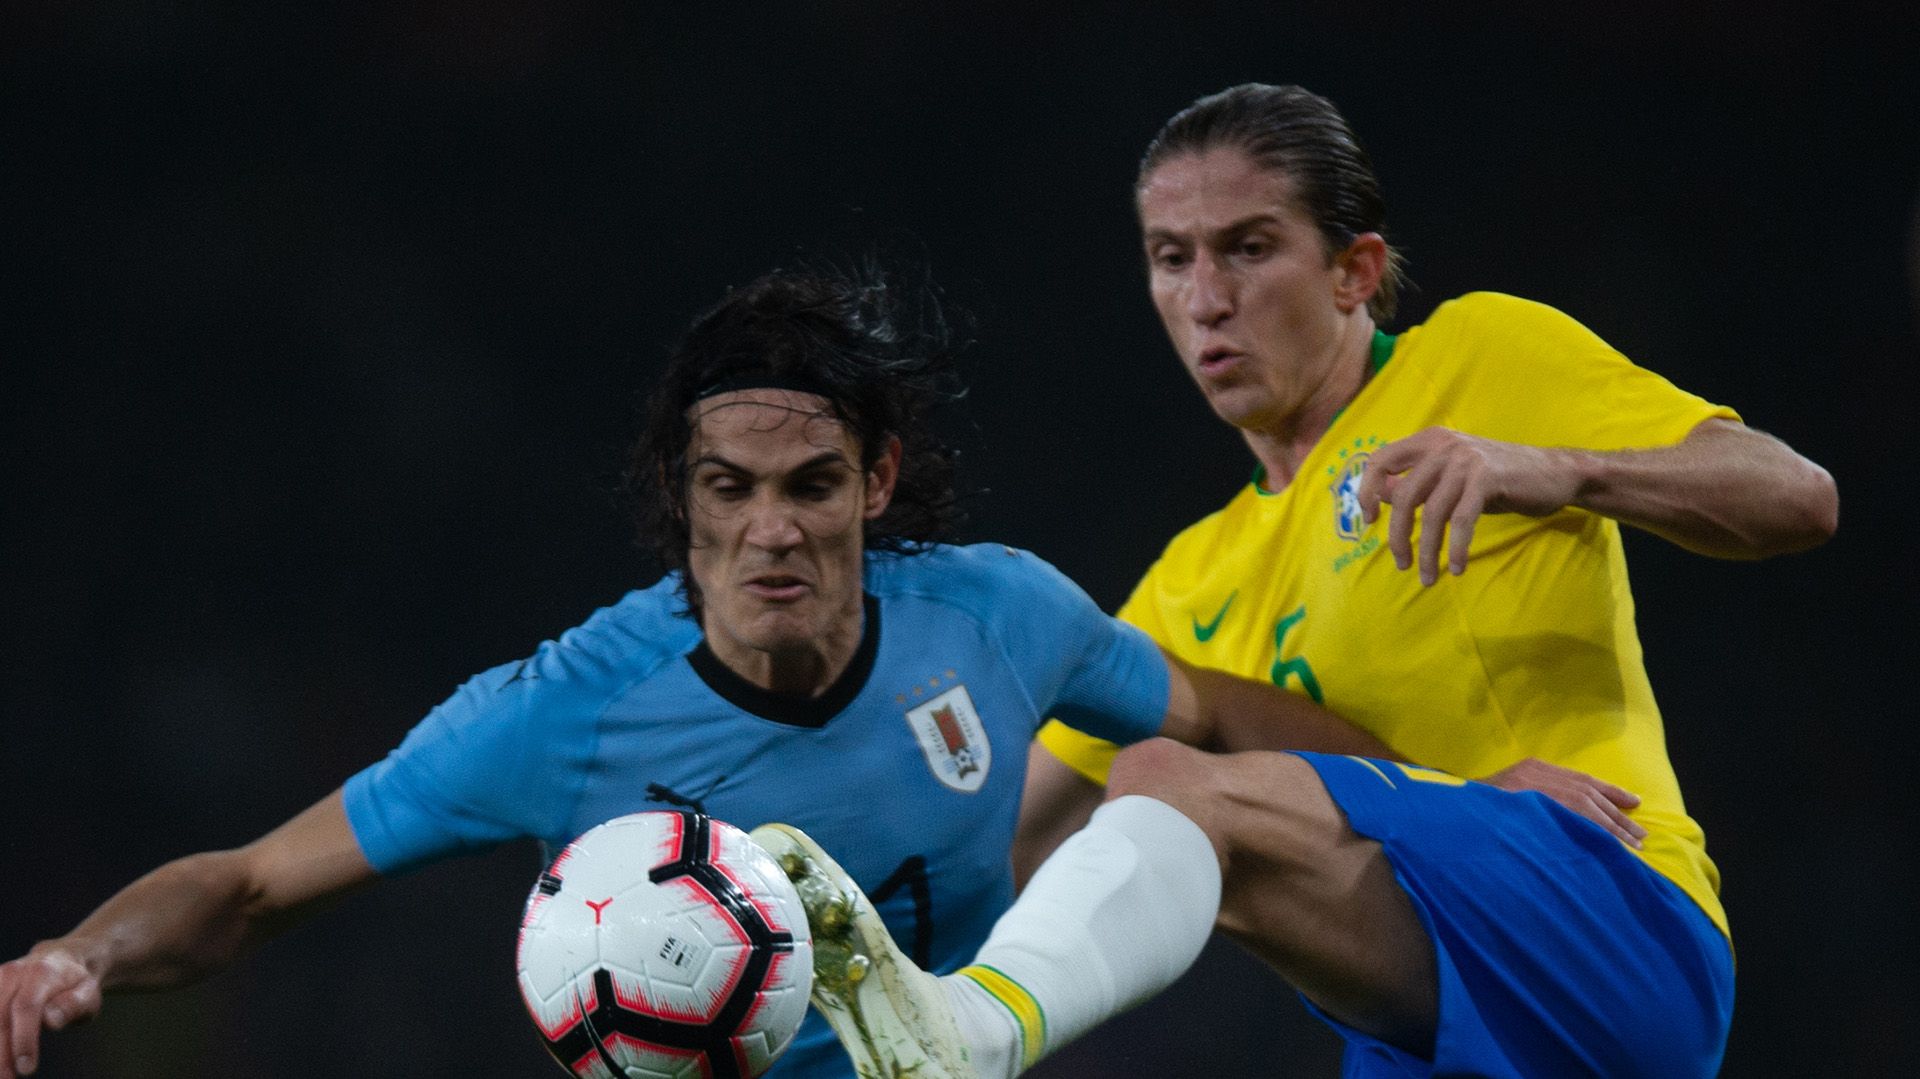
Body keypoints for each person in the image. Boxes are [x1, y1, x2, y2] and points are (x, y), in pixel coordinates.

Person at [0, 263, 1477, 1079]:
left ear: (877, 480)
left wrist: (1474, 811)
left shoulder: (1000, 618)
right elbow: (253, 882)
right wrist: (81, 953)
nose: (773, 527)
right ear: (682, 495)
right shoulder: (562, 711)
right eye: (730, 487)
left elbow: (1220, 715)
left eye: (813, 482)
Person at [790, 84, 1839, 1079]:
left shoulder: (1478, 356)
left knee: (1164, 772)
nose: (1206, 300)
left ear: (1354, 271)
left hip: (1612, 910)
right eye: (1171, 258)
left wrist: (1550, 467)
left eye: (1249, 248)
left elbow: (1797, 497)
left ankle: (978, 1036)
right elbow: (1001, 834)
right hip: (1437, 1011)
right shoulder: (1195, 576)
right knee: (1142, 796)